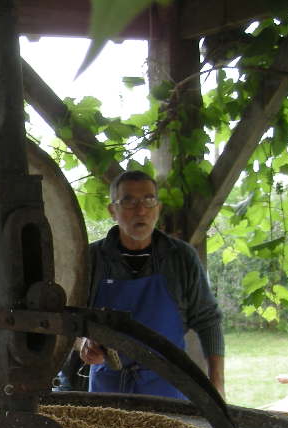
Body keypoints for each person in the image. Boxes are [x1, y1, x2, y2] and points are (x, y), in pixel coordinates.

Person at [76, 170, 224, 399]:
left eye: (148, 200)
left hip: (168, 387)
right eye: (128, 201)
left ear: (158, 208)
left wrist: (216, 385)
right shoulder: (92, 258)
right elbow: (72, 320)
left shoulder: (181, 257)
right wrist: (84, 342)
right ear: (112, 211)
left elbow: (208, 321)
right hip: (108, 390)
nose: (141, 210)